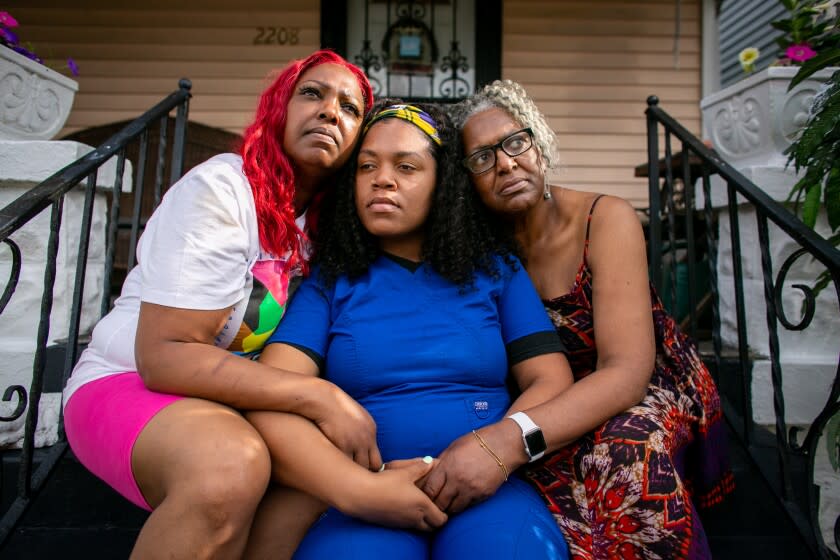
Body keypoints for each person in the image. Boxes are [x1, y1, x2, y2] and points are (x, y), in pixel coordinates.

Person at [61, 50, 381, 559]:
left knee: (318, 475)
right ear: (279, 109)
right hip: (126, 382)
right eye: (313, 94)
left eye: (350, 108)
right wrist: (321, 398)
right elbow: (166, 356)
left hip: (233, 399)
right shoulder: (224, 189)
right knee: (229, 463)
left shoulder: (328, 228)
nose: (329, 112)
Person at [423, 80, 735, 559]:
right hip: (548, 395)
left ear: (539, 144)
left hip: (641, 383)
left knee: (626, 451)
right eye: (483, 158)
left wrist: (509, 441)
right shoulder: (478, 250)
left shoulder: (604, 219)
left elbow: (627, 372)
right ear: (467, 181)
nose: (506, 164)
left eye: (515, 142)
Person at [251, 101, 574, 559]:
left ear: (443, 185)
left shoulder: (495, 270)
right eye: (367, 166)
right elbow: (273, 394)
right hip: (369, 501)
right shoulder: (332, 281)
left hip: (491, 492)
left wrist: (497, 450)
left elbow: (551, 379)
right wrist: (359, 487)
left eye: (406, 166)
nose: (382, 179)